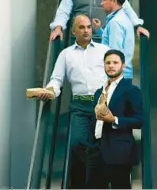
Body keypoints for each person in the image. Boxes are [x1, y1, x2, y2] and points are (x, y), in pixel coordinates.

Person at [36, 14, 110, 188]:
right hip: (80, 106)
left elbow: (115, 75)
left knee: (103, 144)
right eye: (82, 27)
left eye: (89, 27)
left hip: (103, 104)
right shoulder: (66, 54)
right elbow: (56, 80)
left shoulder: (104, 50)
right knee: (77, 142)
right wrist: (49, 92)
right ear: (74, 31)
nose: (86, 30)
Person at [86, 49, 143, 188]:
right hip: (96, 151)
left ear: (123, 66)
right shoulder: (99, 92)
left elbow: (139, 120)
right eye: (108, 63)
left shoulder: (131, 90)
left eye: (115, 63)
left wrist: (115, 120)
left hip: (118, 152)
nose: (111, 65)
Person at [101, 0, 135, 79]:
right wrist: (99, 30)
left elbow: (115, 52)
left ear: (114, 1)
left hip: (117, 76)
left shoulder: (115, 22)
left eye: (104, 0)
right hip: (123, 74)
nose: (101, 4)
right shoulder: (122, 18)